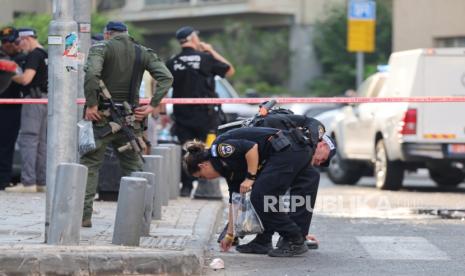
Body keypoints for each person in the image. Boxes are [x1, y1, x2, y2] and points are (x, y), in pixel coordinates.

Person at [80, 21, 173, 227]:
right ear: (127, 33)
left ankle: (84, 216)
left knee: (90, 165)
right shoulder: (142, 52)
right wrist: (153, 105)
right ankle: (140, 218)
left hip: (101, 119)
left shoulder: (101, 48)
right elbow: (166, 77)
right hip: (132, 119)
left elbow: (92, 73)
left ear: (107, 34)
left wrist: (92, 104)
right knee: (133, 167)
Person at [184, 127, 318, 257]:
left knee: (261, 197)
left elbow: (251, 147)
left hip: (288, 150)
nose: (205, 179)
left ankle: (294, 239)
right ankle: (263, 241)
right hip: (290, 151)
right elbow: (235, 200)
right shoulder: (226, 168)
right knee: (265, 196)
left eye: (201, 176)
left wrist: (250, 178)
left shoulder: (220, 149)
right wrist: (230, 234)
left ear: (203, 165)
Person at [166, 26, 235, 197]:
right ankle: (206, 185)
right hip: (206, 116)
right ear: (192, 38)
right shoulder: (205, 58)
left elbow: (161, 82)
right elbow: (229, 70)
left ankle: (186, 187)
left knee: (186, 149)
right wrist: (211, 50)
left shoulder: (172, 61)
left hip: (181, 115)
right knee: (208, 149)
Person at [6, 28, 47, 193]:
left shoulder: (34, 55)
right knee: (42, 143)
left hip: (34, 100)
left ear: (26, 39)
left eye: (18, 42)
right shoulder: (45, 54)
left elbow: (25, 79)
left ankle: (28, 182)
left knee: (29, 140)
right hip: (45, 100)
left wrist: (8, 72)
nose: (18, 46)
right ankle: (41, 182)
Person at [0, 27, 26, 190]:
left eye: (10, 41)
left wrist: (7, 66)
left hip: (12, 106)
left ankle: (3, 180)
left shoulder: (23, 57)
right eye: (4, 41)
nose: (7, 44)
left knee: (6, 145)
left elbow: (24, 79)